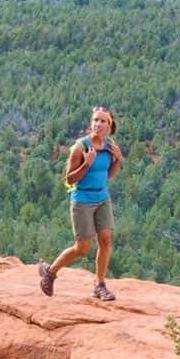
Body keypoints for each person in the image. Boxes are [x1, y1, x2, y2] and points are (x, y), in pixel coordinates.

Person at [39, 107, 120, 300]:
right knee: (82, 248)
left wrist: (118, 159)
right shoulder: (80, 147)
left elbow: (107, 175)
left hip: (102, 198)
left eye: (103, 121)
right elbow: (69, 180)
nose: (98, 124)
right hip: (82, 200)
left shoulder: (110, 146)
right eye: (95, 120)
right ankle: (50, 272)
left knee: (106, 240)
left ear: (110, 126)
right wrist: (86, 163)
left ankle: (99, 285)